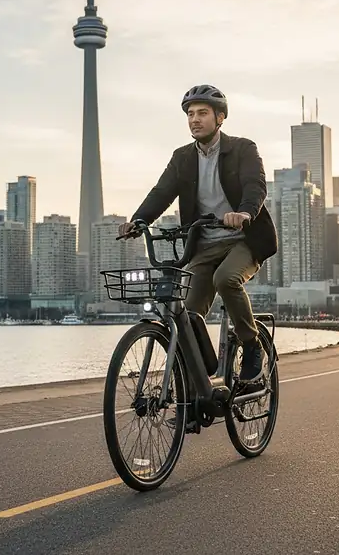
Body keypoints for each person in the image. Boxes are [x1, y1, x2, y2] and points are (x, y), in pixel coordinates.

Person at [119, 84, 278, 384]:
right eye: (190, 114)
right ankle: (202, 382)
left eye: (202, 113)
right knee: (187, 315)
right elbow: (161, 192)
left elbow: (254, 185)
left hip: (244, 240)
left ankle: (251, 344)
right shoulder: (182, 158)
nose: (195, 119)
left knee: (226, 279)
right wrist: (138, 220)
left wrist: (244, 213)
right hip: (203, 246)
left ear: (220, 118)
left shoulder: (243, 149)